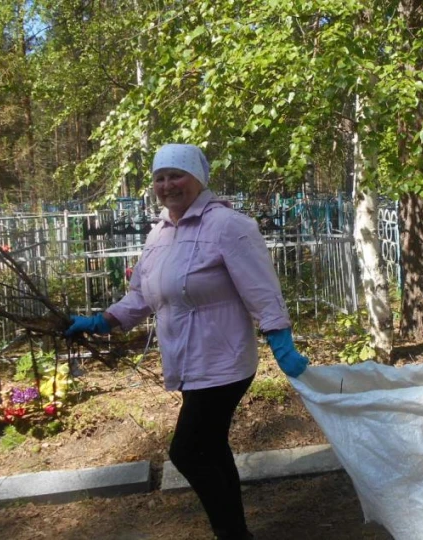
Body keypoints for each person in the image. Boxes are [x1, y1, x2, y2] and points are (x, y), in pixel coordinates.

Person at [65, 143, 308, 540]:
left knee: (188, 451)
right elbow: (141, 294)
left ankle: (232, 533)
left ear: (198, 178)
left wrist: (280, 339)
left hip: (224, 361)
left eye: (176, 175)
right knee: (210, 449)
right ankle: (235, 531)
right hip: (187, 361)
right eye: (160, 178)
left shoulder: (228, 226)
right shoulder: (159, 234)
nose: (167, 185)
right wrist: (102, 321)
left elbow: (261, 290)